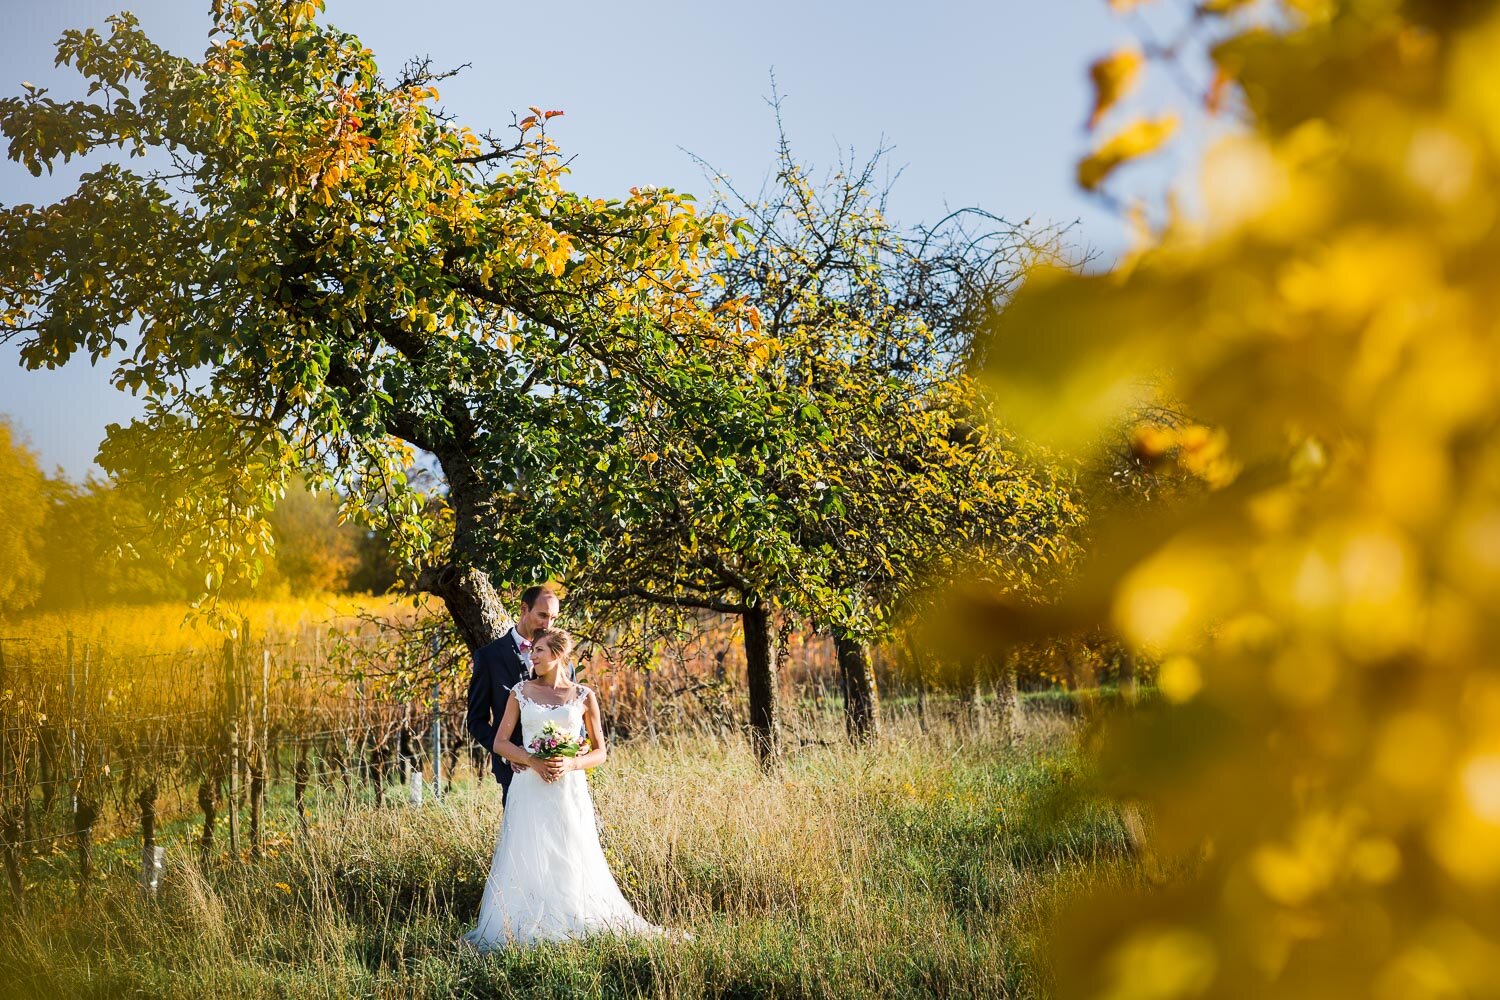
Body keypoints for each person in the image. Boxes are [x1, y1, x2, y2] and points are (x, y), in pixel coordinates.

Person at [462, 628, 683, 948]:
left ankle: (572, 913)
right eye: (532, 651)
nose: (531, 656)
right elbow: (500, 742)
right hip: (529, 787)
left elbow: (600, 751)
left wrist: (570, 764)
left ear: (557, 655)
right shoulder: (520, 692)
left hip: (569, 789)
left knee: (570, 850)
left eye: (538, 651)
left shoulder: (583, 696)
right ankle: (523, 922)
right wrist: (532, 760)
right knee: (528, 851)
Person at [465, 586, 569, 806]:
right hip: (515, 773)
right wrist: (510, 754)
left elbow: (574, 713)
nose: (547, 625)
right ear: (524, 609)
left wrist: (570, 753)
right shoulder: (489, 657)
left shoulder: (563, 662)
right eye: (542, 615)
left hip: (560, 776)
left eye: (553, 618)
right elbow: (476, 721)